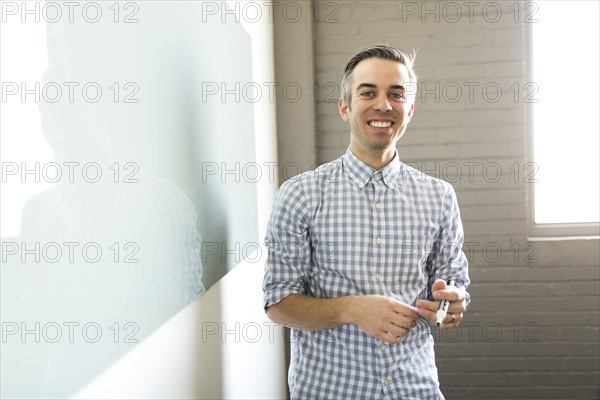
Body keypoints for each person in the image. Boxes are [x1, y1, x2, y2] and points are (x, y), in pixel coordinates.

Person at [263, 44, 471, 399]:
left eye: (396, 94)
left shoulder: (439, 197)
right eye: (368, 92)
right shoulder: (300, 195)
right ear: (345, 107)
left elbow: (454, 292)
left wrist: (449, 306)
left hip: (414, 388)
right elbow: (278, 303)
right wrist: (351, 309)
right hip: (329, 390)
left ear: (410, 109)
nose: (383, 105)